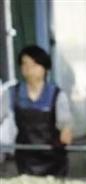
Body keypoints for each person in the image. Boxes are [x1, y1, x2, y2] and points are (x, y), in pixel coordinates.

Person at [0, 45, 73, 176]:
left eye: (34, 64)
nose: (28, 68)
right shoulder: (12, 93)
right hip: (25, 159)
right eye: (24, 64)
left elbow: (65, 129)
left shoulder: (56, 95)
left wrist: (65, 134)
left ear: (44, 68)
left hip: (54, 159)